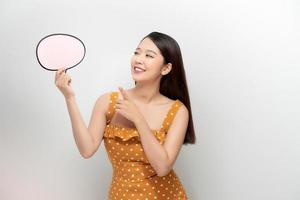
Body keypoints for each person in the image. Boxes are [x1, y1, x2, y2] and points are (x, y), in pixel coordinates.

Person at [55, 31, 196, 199]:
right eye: (137, 52)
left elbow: (162, 167)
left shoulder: (177, 111)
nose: (138, 59)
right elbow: (87, 149)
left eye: (149, 55)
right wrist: (69, 97)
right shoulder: (108, 102)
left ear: (166, 68)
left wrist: (138, 119)